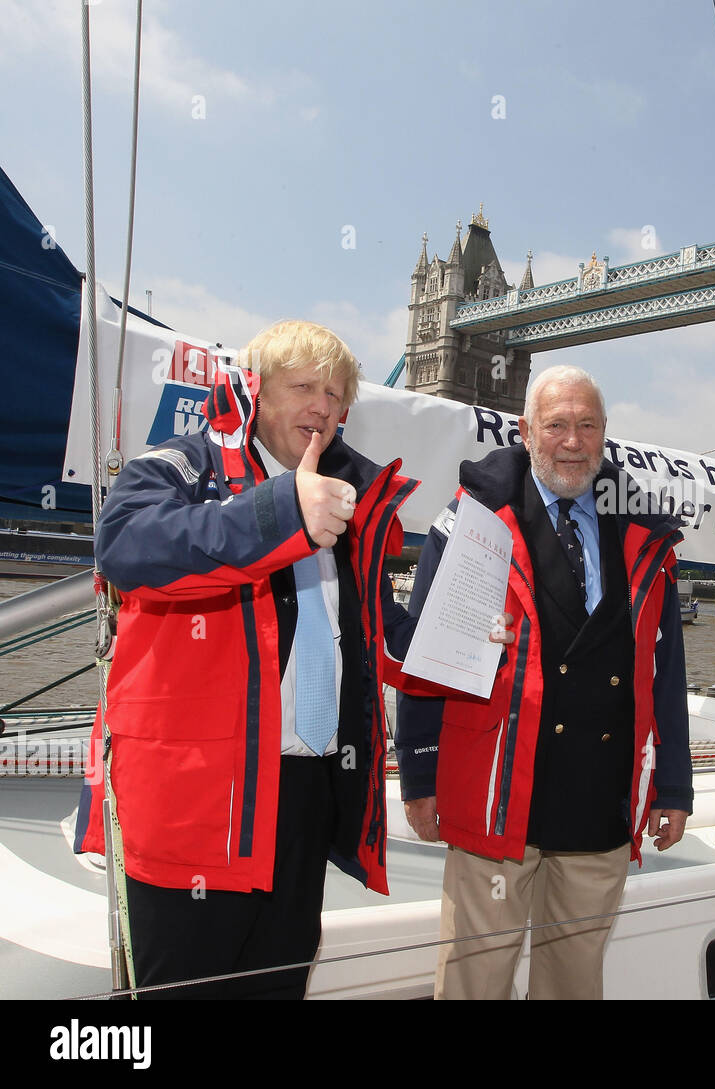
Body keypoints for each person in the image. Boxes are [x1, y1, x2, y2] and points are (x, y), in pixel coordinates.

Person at [75, 320, 429, 999]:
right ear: (256, 391)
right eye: (302, 388)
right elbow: (123, 546)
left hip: (302, 801)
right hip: (197, 808)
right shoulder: (182, 467)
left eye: (334, 394)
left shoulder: (352, 503)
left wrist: (473, 645)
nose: (322, 407)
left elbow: (385, 642)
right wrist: (278, 514)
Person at [396, 364, 693, 1000]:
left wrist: (672, 782)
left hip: (599, 798)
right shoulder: (473, 521)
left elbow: (665, 668)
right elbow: (428, 654)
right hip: (496, 789)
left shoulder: (645, 533)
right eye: (557, 425)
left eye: (588, 425)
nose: (573, 441)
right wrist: (420, 774)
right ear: (527, 431)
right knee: (476, 981)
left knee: (574, 986)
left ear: (605, 434)